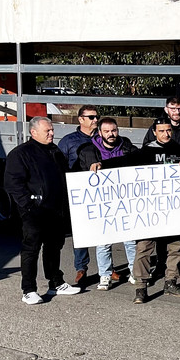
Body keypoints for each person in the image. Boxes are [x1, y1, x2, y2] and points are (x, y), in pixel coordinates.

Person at [100, 116, 180, 304]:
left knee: (175, 247)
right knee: (144, 248)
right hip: (149, 212)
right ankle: (141, 287)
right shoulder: (145, 152)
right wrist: (102, 164)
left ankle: (171, 281)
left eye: (168, 130)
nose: (166, 133)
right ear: (154, 132)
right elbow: (124, 162)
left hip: (174, 210)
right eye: (161, 131)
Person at [4, 116, 81, 305]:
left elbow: (64, 176)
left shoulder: (55, 151)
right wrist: (29, 207)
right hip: (34, 212)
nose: (52, 133)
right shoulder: (21, 154)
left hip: (56, 210)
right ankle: (28, 290)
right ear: (34, 132)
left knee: (54, 247)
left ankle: (56, 282)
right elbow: (13, 184)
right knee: (31, 249)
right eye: (48, 131)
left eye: (52, 130)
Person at [76, 117, 138, 290]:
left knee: (130, 240)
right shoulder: (89, 150)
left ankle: (135, 272)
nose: (111, 134)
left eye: (114, 130)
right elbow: (82, 170)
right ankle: (105, 275)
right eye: (107, 131)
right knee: (103, 241)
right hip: (103, 203)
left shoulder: (127, 148)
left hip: (125, 201)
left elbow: (139, 162)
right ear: (100, 133)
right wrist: (92, 166)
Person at [58, 105, 99, 285]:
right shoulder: (68, 141)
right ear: (81, 119)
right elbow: (60, 166)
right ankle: (81, 268)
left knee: (105, 231)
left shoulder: (103, 137)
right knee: (81, 232)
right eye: (91, 117)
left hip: (101, 192)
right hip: (80, 194)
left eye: (97, 117)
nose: (95, 120)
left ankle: (108, 268)